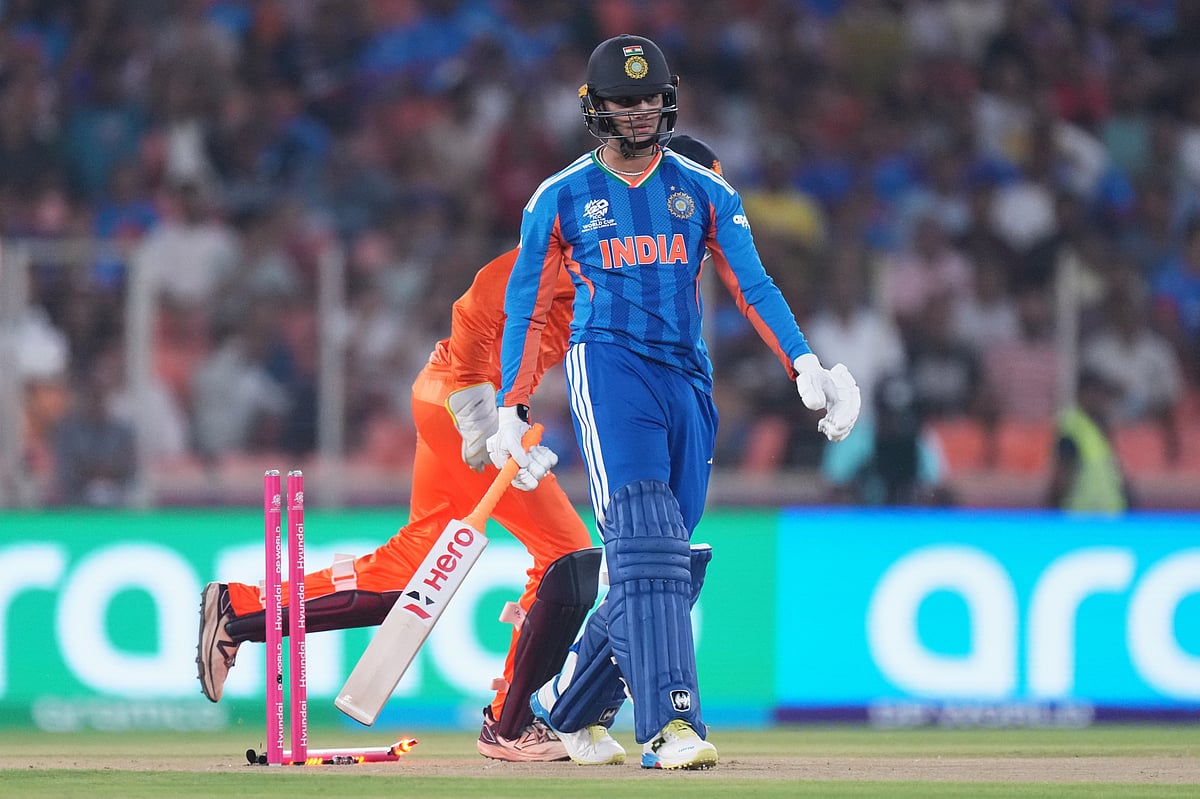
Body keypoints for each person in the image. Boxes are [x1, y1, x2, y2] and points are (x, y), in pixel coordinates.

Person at [487, 35, 861, 771]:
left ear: (670, 100)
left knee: (659, 562)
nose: (639, 111)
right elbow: (528, 311)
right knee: (649, 536)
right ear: (596, 108)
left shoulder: (707, 190)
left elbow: (754, 286)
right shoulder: (558, 197)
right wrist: (512, 405)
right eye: (624, 101)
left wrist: (805, 364)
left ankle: (564, 710)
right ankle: (669, 727)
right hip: (609, 368)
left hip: (687, 379)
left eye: (651, 98)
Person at [196, 247, 591, 763]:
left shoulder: (648, 250)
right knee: (567, 557)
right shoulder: (579, 226)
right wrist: (480, 409)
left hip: (450, 394)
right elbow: (474, 309)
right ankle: (511, 724)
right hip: (466, 403)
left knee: (413, 571)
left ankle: (241, 610)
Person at [1047, 369, 1133, 513]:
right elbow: (1063, 473)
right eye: (1097, 393)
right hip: (1082, 515)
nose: (1102, 399)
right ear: (1083, 394)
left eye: (1103, 394)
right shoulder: (1072, 425)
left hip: (1107, 514)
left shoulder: (1100, 424)